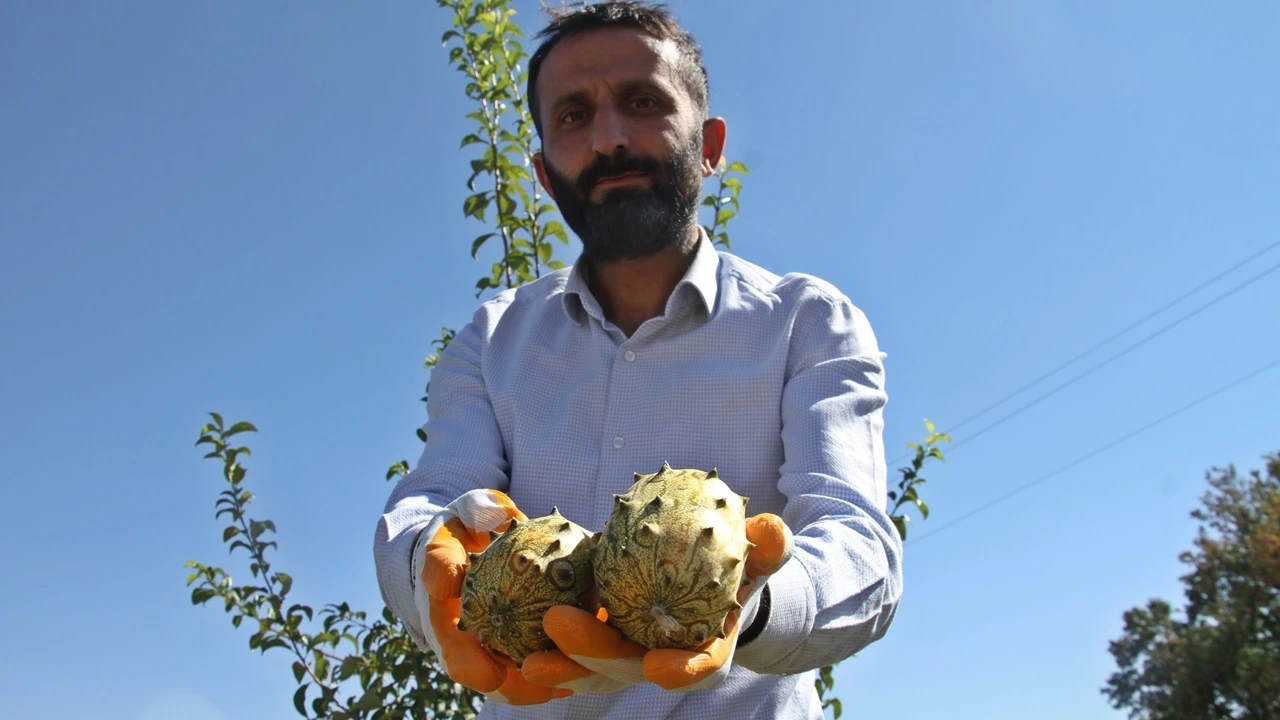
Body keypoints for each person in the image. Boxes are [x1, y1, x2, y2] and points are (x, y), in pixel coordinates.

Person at [374, 2, 903, 718]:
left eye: (643, 102)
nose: (610, 138)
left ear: (710, 144)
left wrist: (748, 605)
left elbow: (859, 545)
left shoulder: (809, 322)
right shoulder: (488, 341)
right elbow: (436, 497)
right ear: (540, 171)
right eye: (572, 116)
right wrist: (424, 561)